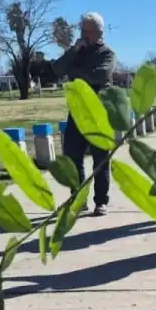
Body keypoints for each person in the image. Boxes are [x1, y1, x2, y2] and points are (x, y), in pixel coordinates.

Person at [52, 11, 117, 216]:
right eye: (82, 30)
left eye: (88, 31)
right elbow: (57, 69)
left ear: (99, 32)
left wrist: (75, 75)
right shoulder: (76, 52)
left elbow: (99, 76)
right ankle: (78, 199)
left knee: (100, 159)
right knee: (72, 157)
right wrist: (72, 52)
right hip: (77, 111)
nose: (84, 34)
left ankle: (101, 201)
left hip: (98, 112)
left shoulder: (107, 54)